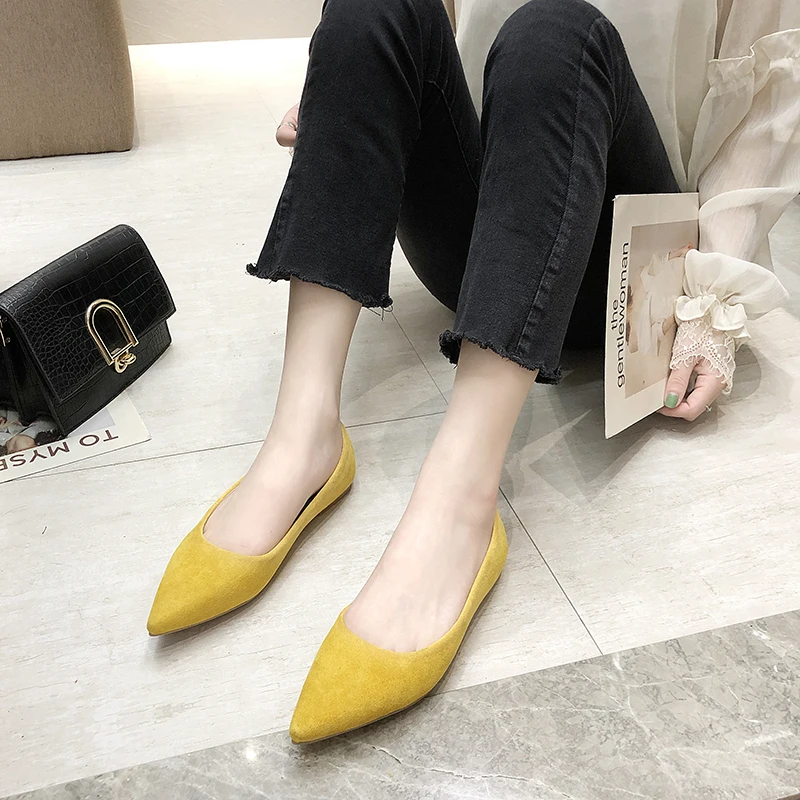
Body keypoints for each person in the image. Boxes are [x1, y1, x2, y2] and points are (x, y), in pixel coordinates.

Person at [148, 0, 798, 742]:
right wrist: (350, 85)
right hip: (493, 234)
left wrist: (716, 295)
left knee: (555, 34)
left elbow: (766, 97)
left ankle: (460, 502)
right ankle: (302, 436)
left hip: (624, 267)